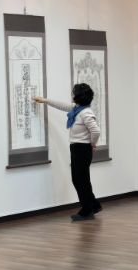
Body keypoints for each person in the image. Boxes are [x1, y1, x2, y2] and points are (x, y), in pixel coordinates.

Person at [33, 84, 102, 221]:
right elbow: (61, 105)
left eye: (73, 93)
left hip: (82, 149)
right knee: (78, 179)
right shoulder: (76, 109)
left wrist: (92, 144)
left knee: (81, 180)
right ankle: (94, 205)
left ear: (79, 96)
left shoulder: (85, 112)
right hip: (76, 148)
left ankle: (87, 211)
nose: (72, 95)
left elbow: (96, 131)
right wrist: (45, 100)